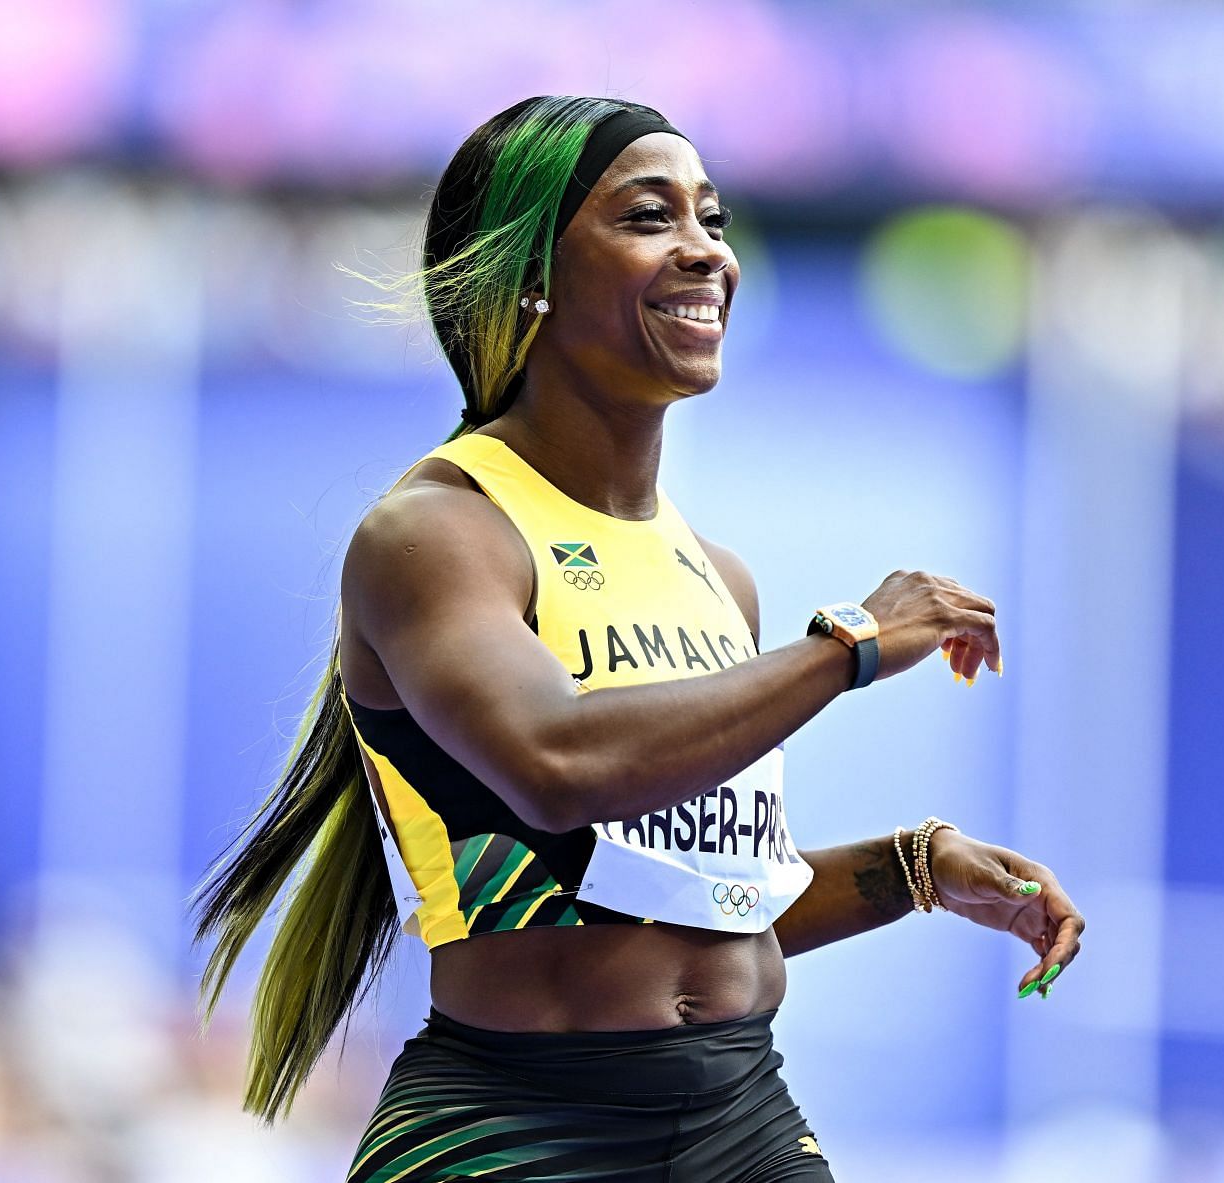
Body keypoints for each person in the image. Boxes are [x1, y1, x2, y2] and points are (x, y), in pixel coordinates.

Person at [191, 95, 1086, 1183]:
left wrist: (915, 870)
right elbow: (560, 766)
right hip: (514, 1132)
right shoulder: (439, 533)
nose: (706, 251)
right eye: (650, 217)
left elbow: (691, 901)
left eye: (711, 218)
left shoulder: (718, 577)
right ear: (532, 273)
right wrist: (847, 644)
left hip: (740, 1118)